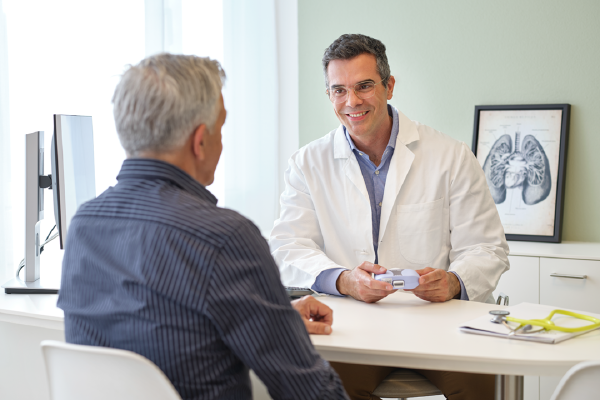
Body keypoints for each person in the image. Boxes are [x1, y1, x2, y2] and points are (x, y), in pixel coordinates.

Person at [57, 54, 349, 400]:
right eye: (221, 128)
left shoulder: (85, 224)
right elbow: (309, 391)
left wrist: (273, 319)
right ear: (199, 141)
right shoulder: (224, 237)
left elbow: (154, 327)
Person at [269, 34, 510, 400]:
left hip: (440, 324)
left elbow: (487, 248)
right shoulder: (307, 163)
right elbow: (288, 246)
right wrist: (345, 280)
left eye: (364, 86)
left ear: (389, 86)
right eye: (339, 90)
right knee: (330, 388)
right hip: (353, 326)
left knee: (479, 386)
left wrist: (455, 281)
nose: (351, 101)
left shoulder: (452, 156)